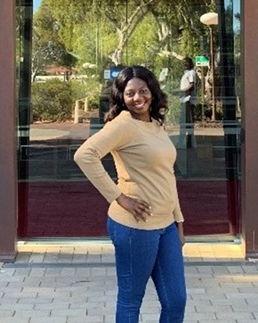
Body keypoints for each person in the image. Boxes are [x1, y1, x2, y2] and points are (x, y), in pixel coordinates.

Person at [74, 65, 187, 323]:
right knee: (131, 300)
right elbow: (84, 155)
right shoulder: (123, 125)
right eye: (130, 93)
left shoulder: (156, 124)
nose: (138, 98)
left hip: (166, 226)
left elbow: (166, 175)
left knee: (176, 300)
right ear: (121, 97)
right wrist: (119, 197)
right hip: (135, 227)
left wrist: (178, 220)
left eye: (143, 91)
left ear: (152, 92)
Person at [179, 57, 198, 148]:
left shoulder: (191, 73)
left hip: (188, 100)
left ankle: (187, 141)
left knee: (187, 122)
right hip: (184, 100)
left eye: (186, 63)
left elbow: (191, 85)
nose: (184, 64)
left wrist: (181, 92)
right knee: (184, 122)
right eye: (183, 63)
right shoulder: (186, 73)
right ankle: (186, 141)